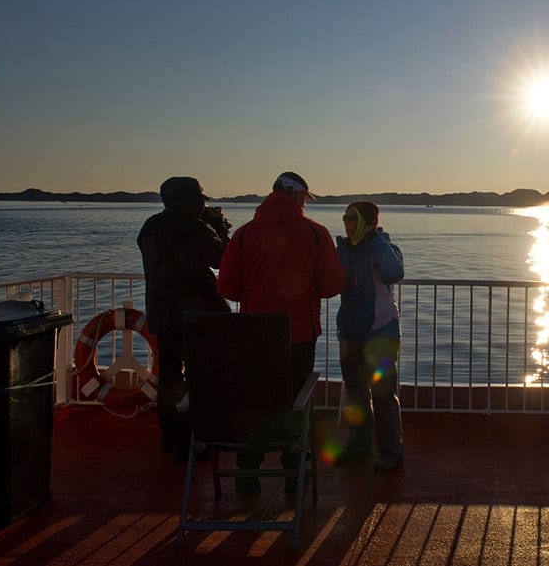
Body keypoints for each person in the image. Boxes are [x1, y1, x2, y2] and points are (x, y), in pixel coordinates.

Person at [217, 170, 344, 494]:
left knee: (253, 402)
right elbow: (331, 286)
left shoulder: (244, 234)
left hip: (252, 336)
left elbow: (228, 288)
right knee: (295, 402)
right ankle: (293, 470)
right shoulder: (316, 234)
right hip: (299, 337)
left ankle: (247, 472)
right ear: (297, 197)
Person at [137, 176, 231, 462]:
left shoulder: (151, 227)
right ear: (192, 200)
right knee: (200, 375)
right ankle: (197, 437)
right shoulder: (196, 228)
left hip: (162, 313)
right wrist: (219, 228)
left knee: (168, 377)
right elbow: (222, 259)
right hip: (196, 314)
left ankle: (171, 438)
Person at [336, 201, 405, 471]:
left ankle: (390, 451)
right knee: (355, 392)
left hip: (382, 332)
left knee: (384, 393)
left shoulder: (385, 247)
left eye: (352, 218)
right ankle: (359, 444)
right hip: (350, 332)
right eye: (344, 217)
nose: (346, 222)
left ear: (366, 222)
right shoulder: (343, 251)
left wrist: (374, 240)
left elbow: (394, 272)